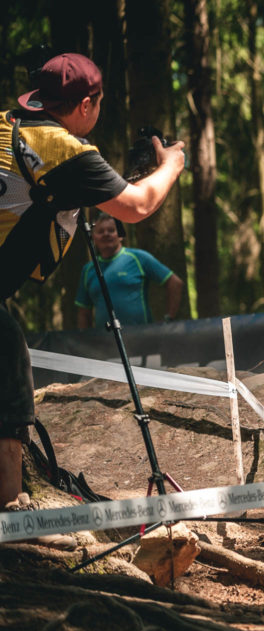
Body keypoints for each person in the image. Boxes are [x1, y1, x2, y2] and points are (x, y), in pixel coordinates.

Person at [0, 53, 185, 515]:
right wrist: (173, 165)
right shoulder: (64, 152)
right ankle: (11, 513)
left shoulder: (7, 125)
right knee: (9, 375)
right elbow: (139, 205)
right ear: (86, 104)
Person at [75, 213, 184, 328]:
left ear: (120, 235)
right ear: (93, 238)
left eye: (111, 230)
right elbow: (83, 312)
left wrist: (169, 319)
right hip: (105, 341)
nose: (106, 234)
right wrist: (85, 340)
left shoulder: (139, 258)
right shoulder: (88, 270)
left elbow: (175, 283)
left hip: (142, 337)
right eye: (100, 231)